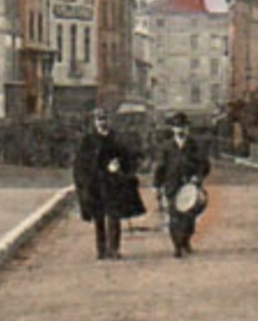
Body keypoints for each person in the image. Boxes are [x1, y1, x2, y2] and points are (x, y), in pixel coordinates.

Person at [73, 108, 144, 260]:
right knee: (98, 218)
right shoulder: (88, 141)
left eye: (104, 119)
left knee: (114, 216)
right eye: (99, 120)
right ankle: (101, 249)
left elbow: (127, 158)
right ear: (94, 122)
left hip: (113, 184)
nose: (102, 122)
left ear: (108, 121)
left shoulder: (116, 139)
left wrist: (120, 166)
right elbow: (81, 163)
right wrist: (86, 181)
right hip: (96, 185)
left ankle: (114, 248)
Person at [153, 112, 211, 259]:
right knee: (174, 217)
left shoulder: (194, 145)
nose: (180, 130)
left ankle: (186, 240)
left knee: (188, 218)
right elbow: (160, 167)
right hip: (172, 185)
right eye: (177, 126)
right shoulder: (166, 147)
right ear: (172, 129)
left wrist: (197, 177)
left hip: (190, 186)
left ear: (188, 128)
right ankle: (177, 246)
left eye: (183, 127)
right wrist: (157, 186)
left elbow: (204, 165)